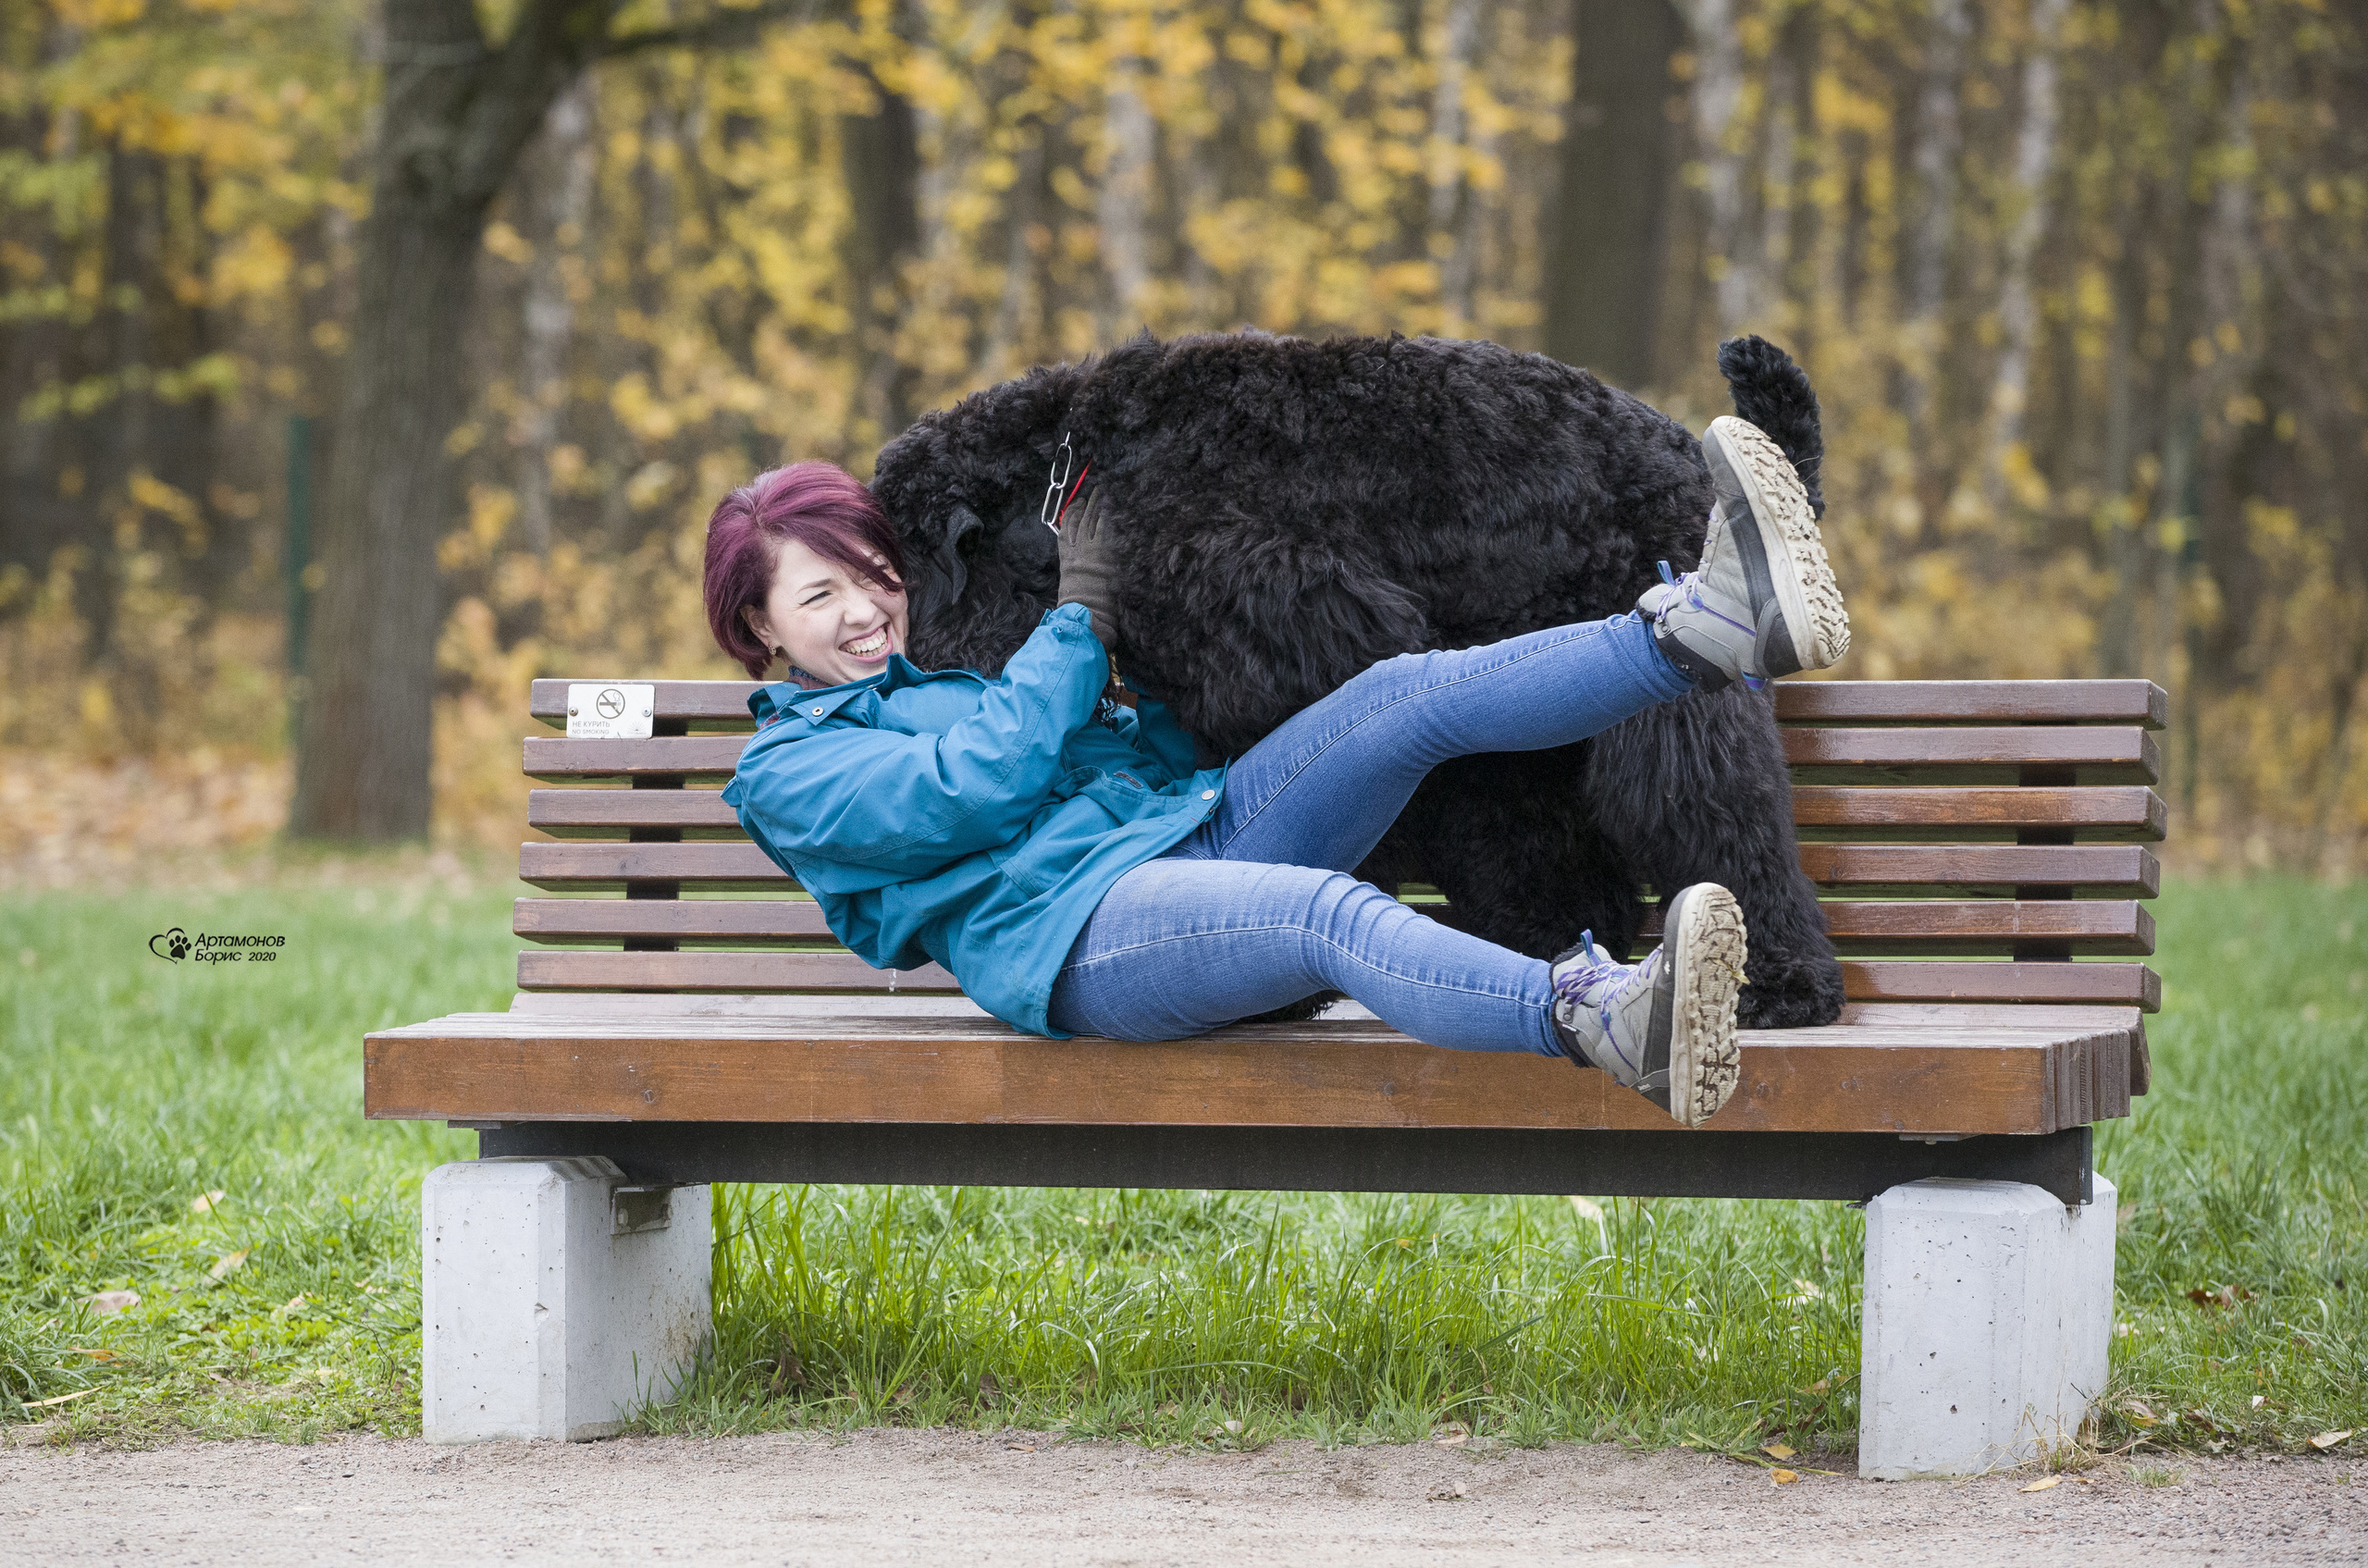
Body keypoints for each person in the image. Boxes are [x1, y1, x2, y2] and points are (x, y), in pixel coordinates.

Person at [709, 419, 1848, 1129]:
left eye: (869, 575)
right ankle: (1603, 1017)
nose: (864, 610)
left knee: (1401, 696)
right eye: (820, 596)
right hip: (1080, 944)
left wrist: (1128, 663)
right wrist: (1076, 618)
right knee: (1323, 914)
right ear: (757, 626)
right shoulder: (790, 769)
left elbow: (1119, 754)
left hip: (1181, 845)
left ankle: (1702, 632)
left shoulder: (945, 684)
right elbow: (979, 788)